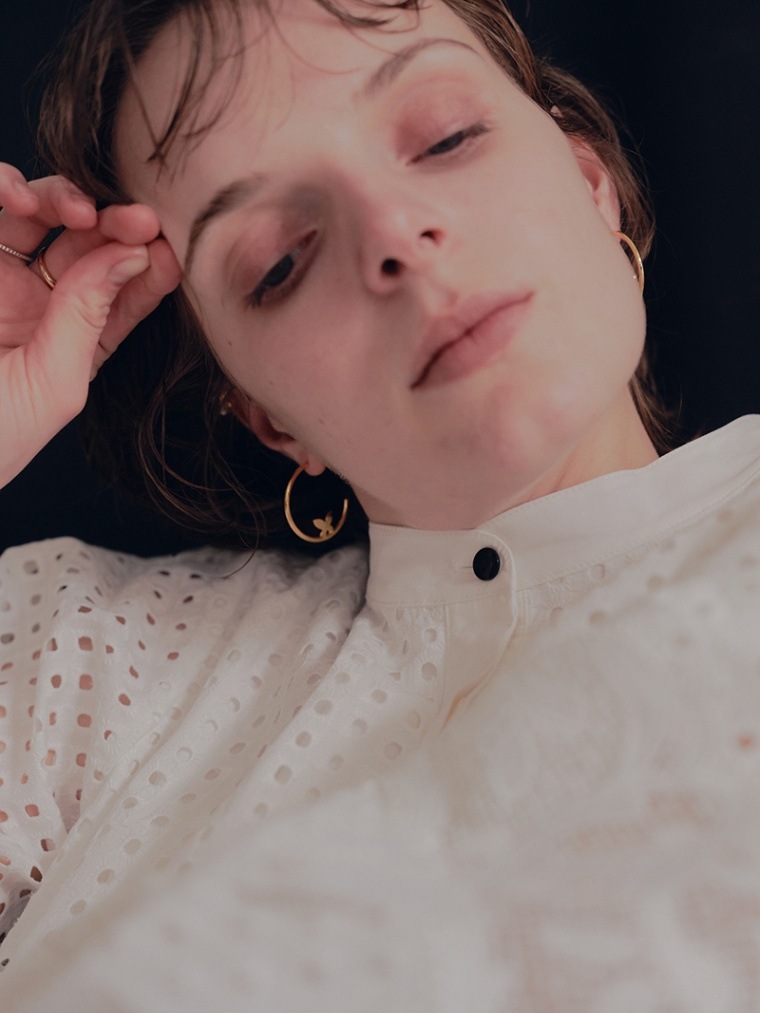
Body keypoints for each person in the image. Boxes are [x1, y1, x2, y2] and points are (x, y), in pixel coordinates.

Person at [1, 0, 759, 1007]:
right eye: (279, 261)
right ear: (270, 419)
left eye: (446, 138)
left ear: (591, 184)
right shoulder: (83, 662)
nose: (396, 233)